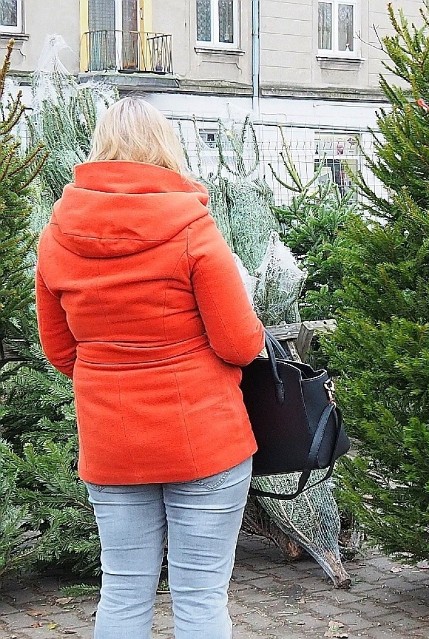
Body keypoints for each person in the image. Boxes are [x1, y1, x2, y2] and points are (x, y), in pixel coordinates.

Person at [35, 97, 264, 639]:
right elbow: (240, 345)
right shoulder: (192, 228)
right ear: (166, 147)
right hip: (204, 440)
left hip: (112, 441)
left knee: (122, 589)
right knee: (201, 597)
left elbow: (60, 351)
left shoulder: (56, 237)